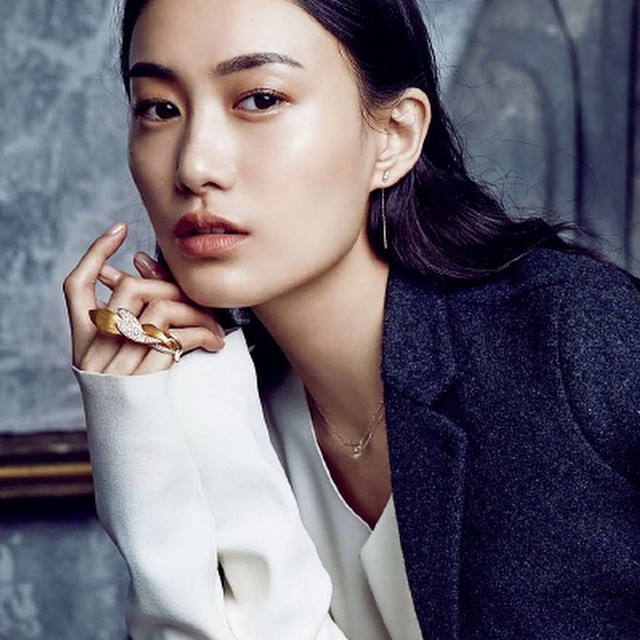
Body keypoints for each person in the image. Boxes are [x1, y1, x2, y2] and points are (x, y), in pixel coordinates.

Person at [63, 0, 640, 638]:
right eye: (158, 108)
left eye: (260, 100)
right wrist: (137, 424)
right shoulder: (216, 399)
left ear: (394, 135)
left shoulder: (573, 340)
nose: (194, 165)